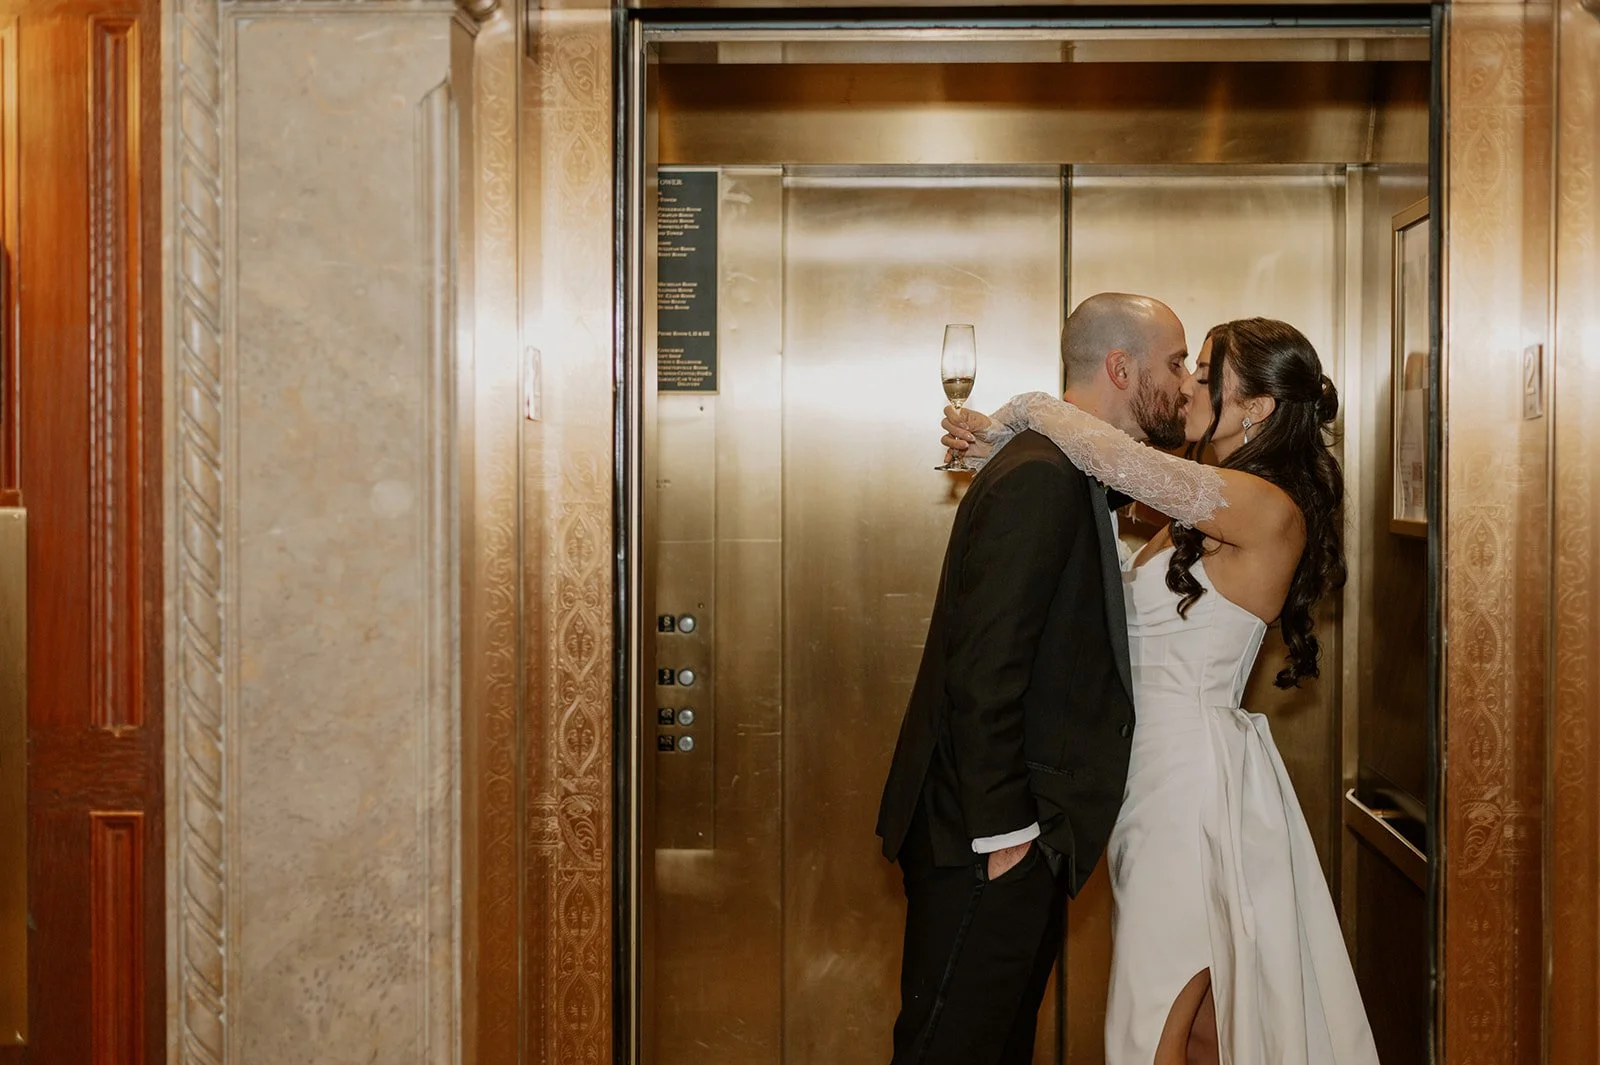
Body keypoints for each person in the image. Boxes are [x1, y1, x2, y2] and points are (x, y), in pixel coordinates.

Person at [942, 317, 1379, 1065]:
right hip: (1154, 778)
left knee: (1152, 1015)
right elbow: (1101, 485)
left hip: (1187, 789)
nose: (1187, 384)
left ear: (1258, 408)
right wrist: (1000, 451)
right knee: (1205, 1022)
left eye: (1206, 372)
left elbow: (1113, 457)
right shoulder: (1201, 510)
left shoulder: (1264, 507)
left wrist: (1023, 410)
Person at [876, 292, 1194, 1065]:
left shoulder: (1067, 467)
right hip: (988, 841)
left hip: (1011, 840)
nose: (1185, 384)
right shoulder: (1042, 477)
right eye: (1176, 363)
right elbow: (984, 669)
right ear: (1121, 367)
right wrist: (1008, 833)